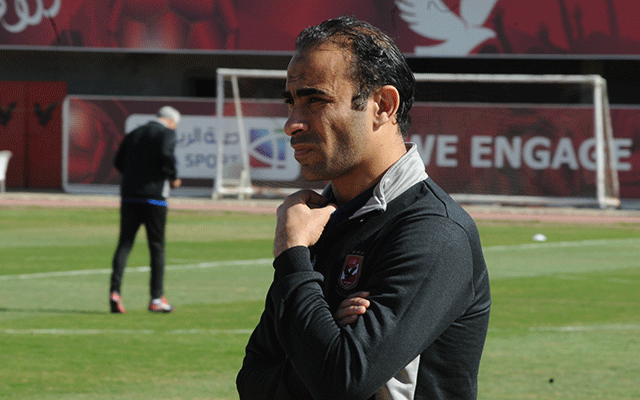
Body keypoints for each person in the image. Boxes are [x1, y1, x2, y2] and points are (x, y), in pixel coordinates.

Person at [236, 16, 491, 399]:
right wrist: (325, 341)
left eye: (315, 100)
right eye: (291, 102)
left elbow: (341, 381)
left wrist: (292, 256)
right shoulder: (320, 219)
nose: (291, 124)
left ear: (383, 106)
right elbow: (252, 381)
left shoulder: (434, 231)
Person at [109, 106, 182, 314]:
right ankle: (156, 298)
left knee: (125, 243)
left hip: (129, 195)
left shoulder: (133, 133)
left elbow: (118, 161)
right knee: (157, 247)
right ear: (170, 121)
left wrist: (134, 177)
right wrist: (173, 177)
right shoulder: (166, 133)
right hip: (154, 197)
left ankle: (115, 292)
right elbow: (166, 154)